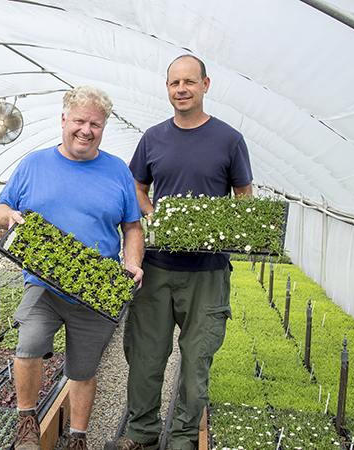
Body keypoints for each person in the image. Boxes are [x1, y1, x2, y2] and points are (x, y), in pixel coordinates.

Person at [106, 55, 253, 450]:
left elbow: (243, 196)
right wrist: (157, 218)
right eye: (174, 83)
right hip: (156, 266)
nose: (181, 89)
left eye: (189, 82)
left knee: (197, 358)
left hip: (207, 271)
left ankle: (185, 436)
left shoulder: (229, 139)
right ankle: (141, 431)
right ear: (167, 88)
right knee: (145, 356)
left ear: (206, 85)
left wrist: (218, 229)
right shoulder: (153, 138)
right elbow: (137, 188)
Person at [0, 86, 144, 450]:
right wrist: (8, 217)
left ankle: (78, 437)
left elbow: (133, 226)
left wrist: (133, 263)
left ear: (103, 128)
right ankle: (27, 421)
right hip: (43, 282)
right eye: (79, 121)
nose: (86, 130)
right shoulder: (33, 164)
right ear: (63, 120)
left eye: (95, 124)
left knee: (83, 368)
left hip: (96, 286)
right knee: (28, 345)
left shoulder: (117, 171)